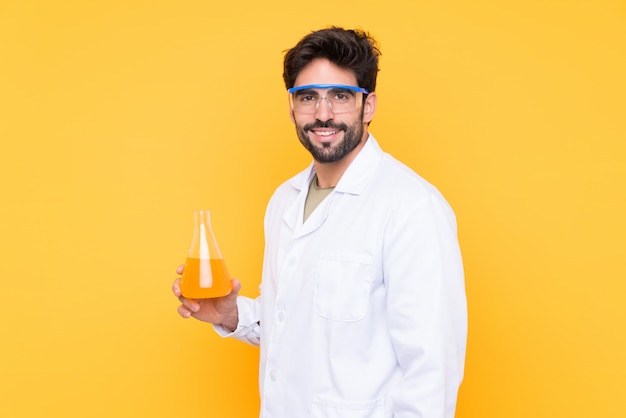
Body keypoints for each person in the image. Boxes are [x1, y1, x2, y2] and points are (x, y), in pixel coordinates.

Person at [173, 27, 467, 418]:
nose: (323, 113)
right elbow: (300, 323)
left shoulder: (412, 207)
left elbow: (433, 371)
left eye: (341, 96)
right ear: (292, 107)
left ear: (369, 105)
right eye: (308, 97)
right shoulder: (284, 201)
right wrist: (231, 315)